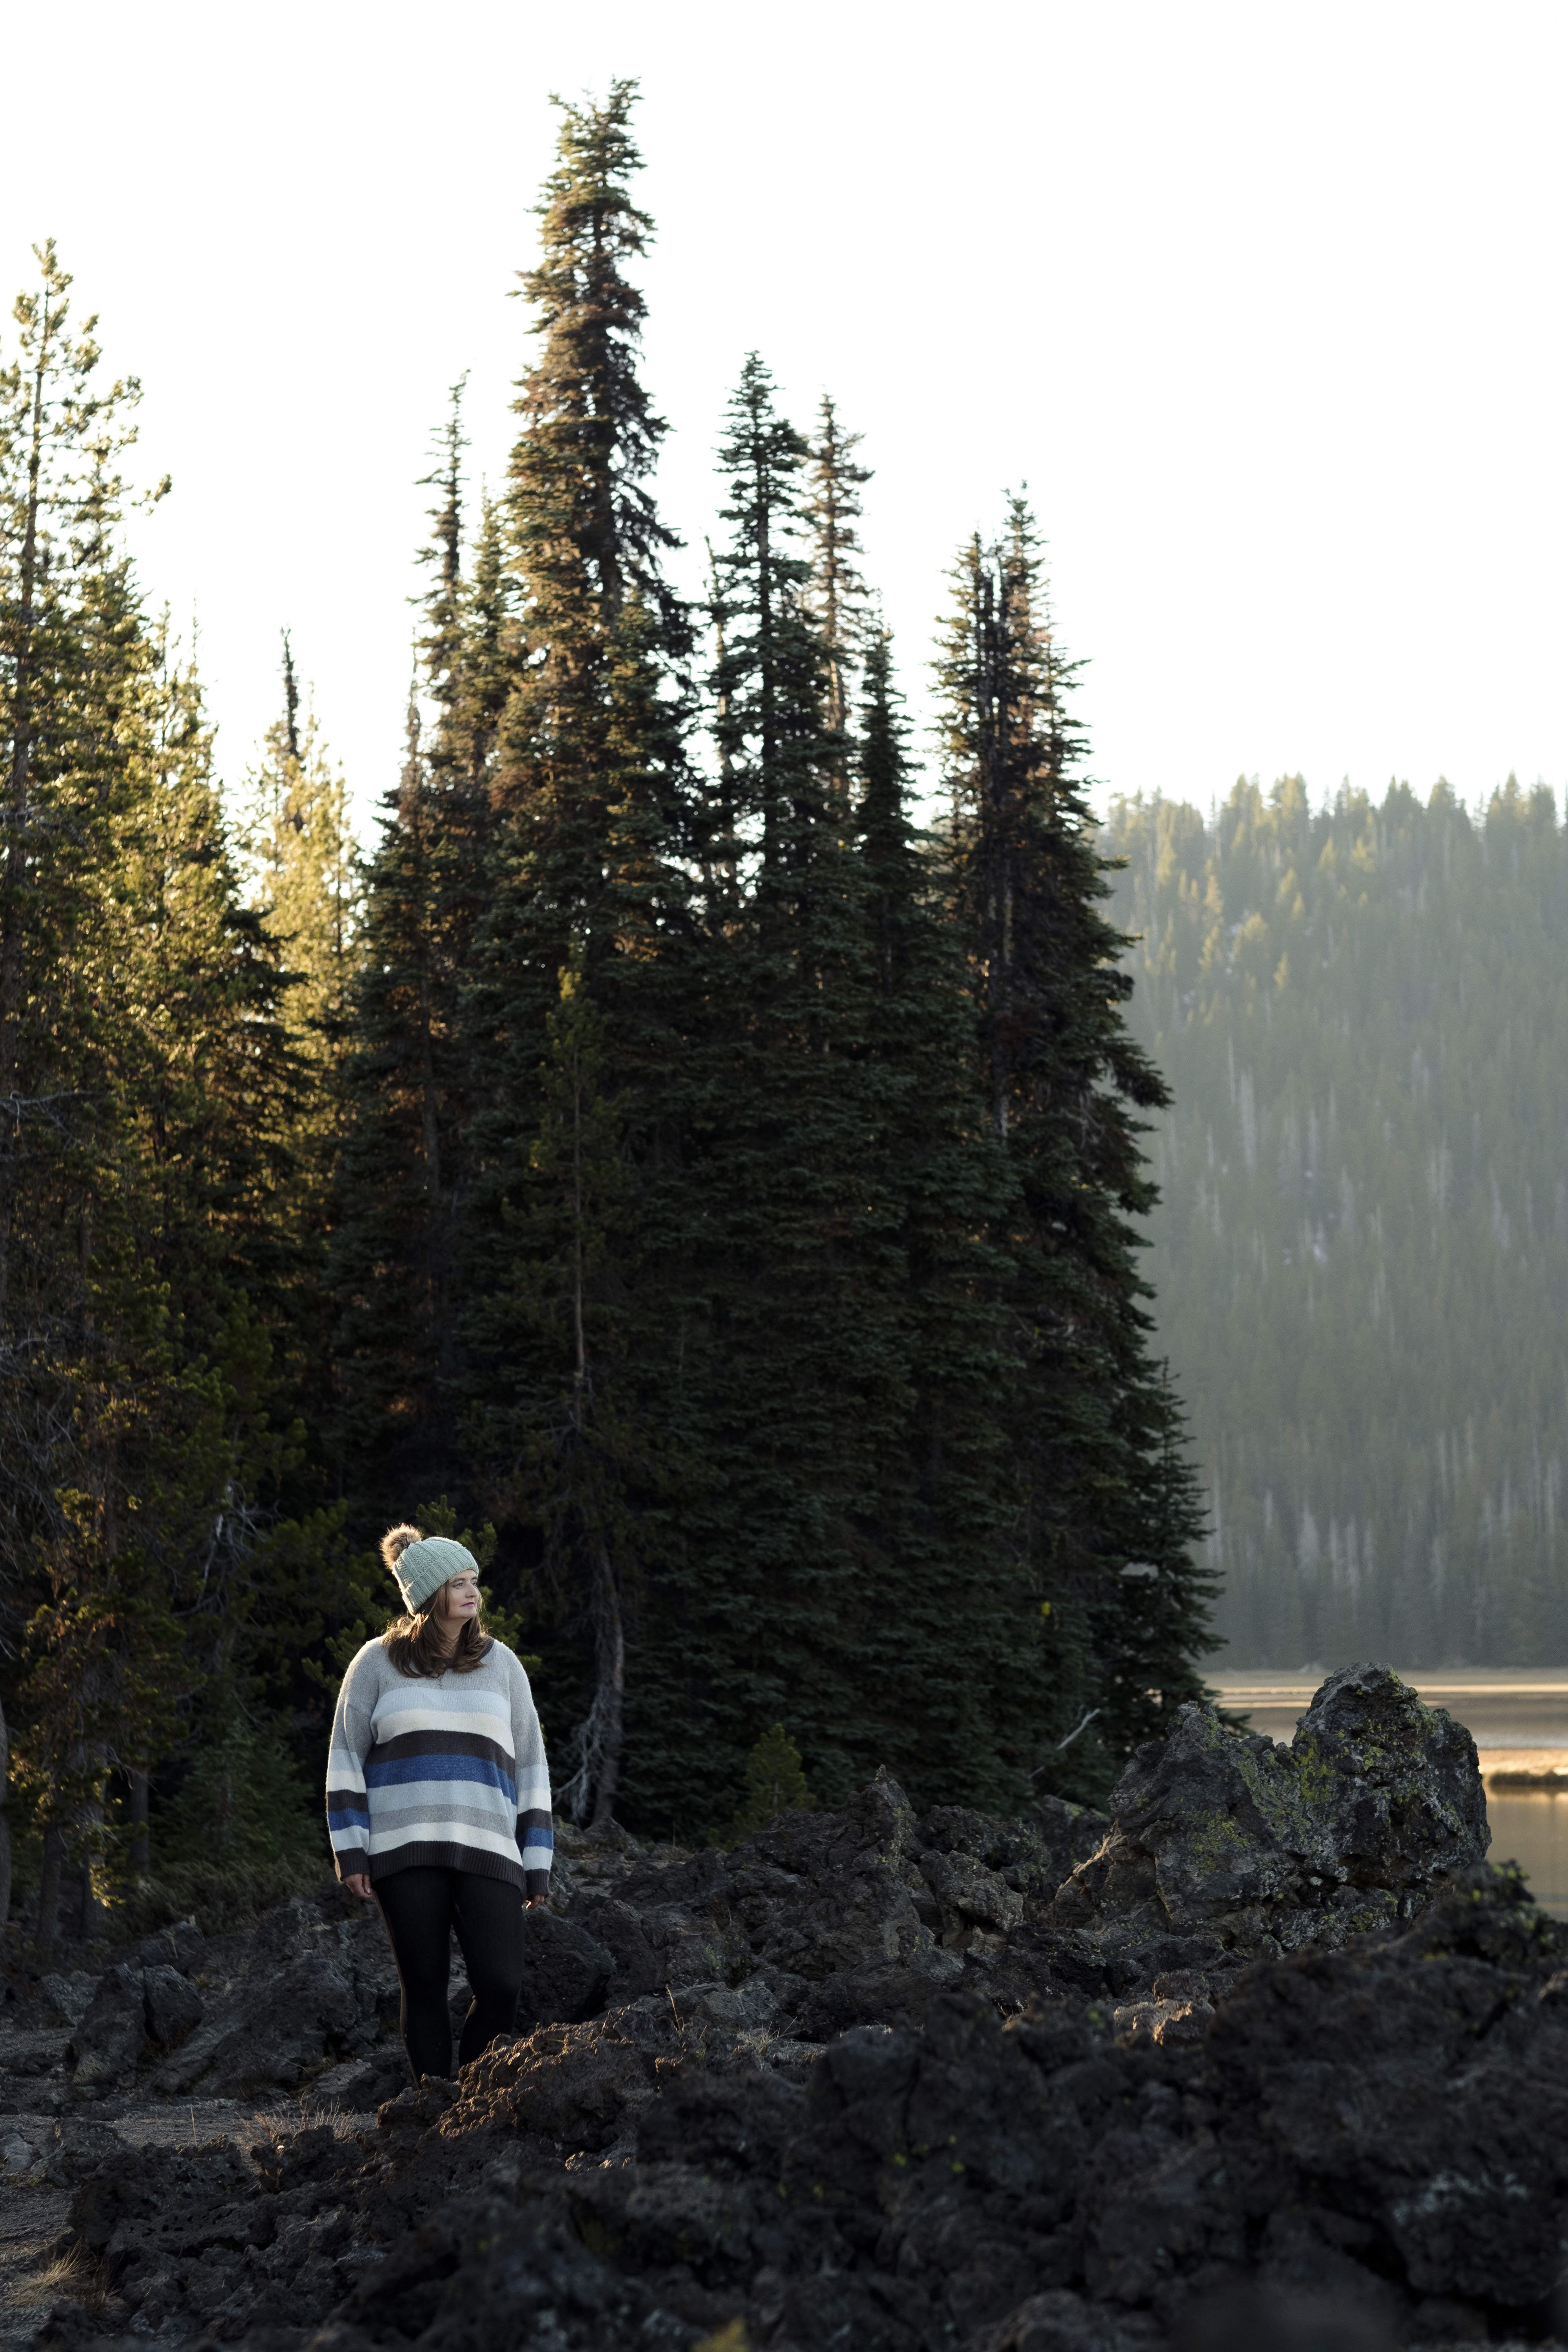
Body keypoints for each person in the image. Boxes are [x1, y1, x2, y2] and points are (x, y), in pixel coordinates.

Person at [324, 1524, 552, 2083]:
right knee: (423, 1984)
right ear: (429, 1598)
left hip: (490, 1847)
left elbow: (532, 1764)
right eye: (458, 1583)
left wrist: (538, 1858)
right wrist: (351, 1852)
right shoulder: (376, 1664)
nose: (473, 1593)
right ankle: (433, 2107)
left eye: (475, 1580)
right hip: (404, 1851)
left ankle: (473, 2098)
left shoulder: (502, 1666)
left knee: (501, 1986)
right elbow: (345, 1757)